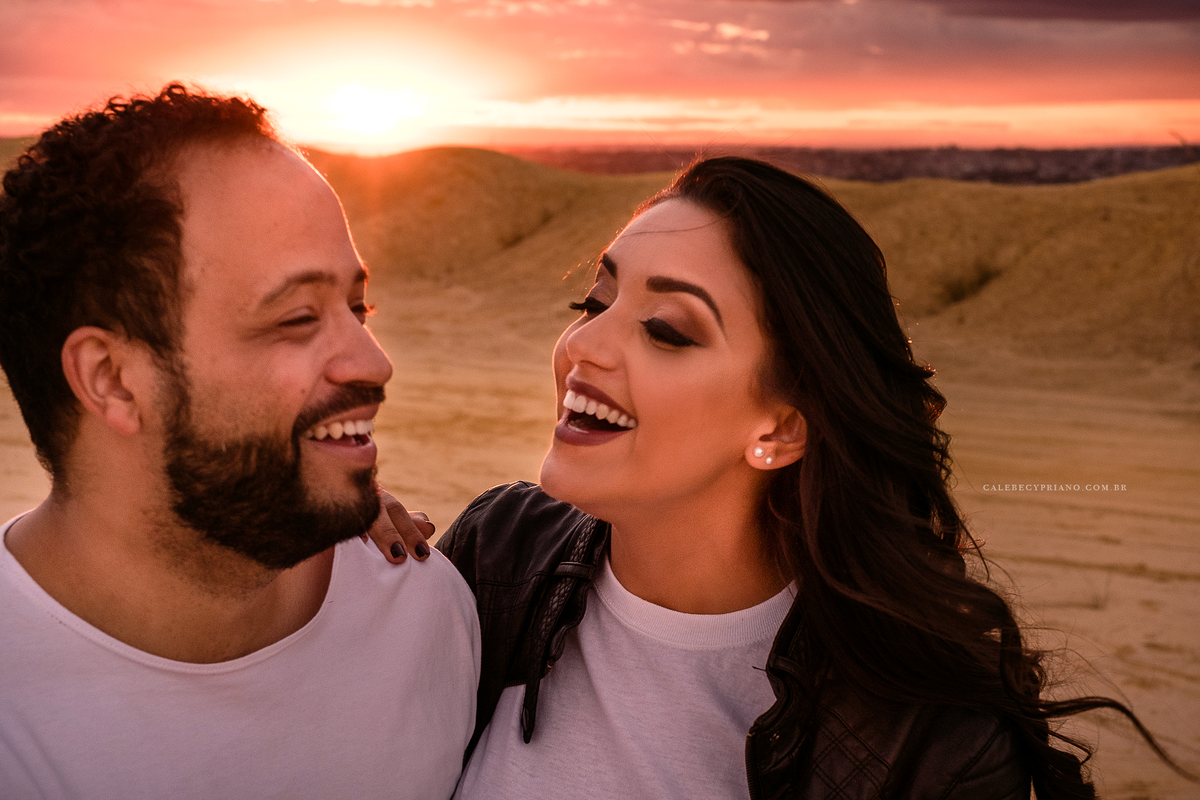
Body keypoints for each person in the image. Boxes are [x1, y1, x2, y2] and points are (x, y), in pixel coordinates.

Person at [373, 156, 1184, 798]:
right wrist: (329, 549)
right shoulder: (500, 555)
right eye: (595, 303)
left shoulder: (927, 745)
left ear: (782, 428)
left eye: (666, 329)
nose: (583, 348)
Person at [0, 84, 479, 799]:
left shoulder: (423, 611)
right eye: (295, 318)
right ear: (113, 380)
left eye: (358, 306)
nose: (375, 364)